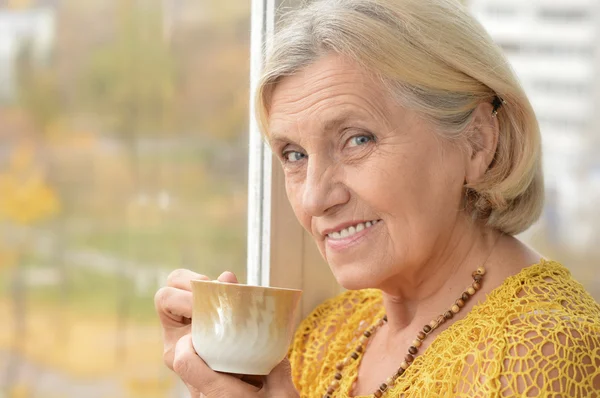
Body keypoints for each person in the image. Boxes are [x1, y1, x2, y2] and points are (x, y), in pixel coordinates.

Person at [154, 0, 600, 396]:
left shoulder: (543, 352)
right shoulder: (326, 336)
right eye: (293, 154)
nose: (313, 198)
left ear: (477, 141)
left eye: (357, 139)